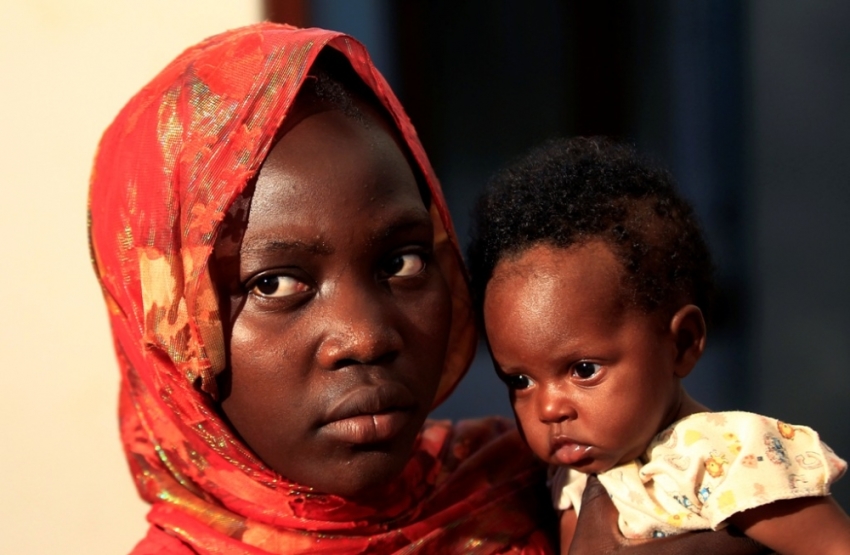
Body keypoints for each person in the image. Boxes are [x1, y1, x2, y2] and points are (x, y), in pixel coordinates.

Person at [89, 23, 772, 554]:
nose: (366, 335)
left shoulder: (549, 485)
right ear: (172, 337)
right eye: (275, 282)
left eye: (402, 262)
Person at [467, 136, 850, 554]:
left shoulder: (730, 459)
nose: (548, 409)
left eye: (583, 370)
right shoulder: (571, 479)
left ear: (681, 344)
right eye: (520, 380)